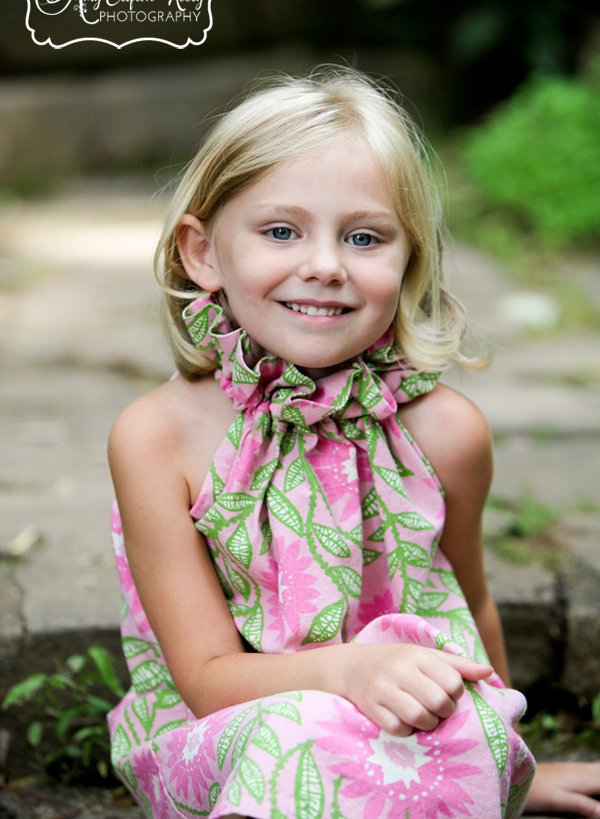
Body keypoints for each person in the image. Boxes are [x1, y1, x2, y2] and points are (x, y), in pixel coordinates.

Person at [107, 66, 600, 819]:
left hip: (407, 727)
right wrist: (348, 674)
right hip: (235, 733)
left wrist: (516, 764)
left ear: (409, 261)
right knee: (304, 731)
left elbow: (469, 600)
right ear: (203, 253)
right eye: (281, 230)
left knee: (456, 723)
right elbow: (206, 676)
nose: (326, 265)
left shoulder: (446, 434)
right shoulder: (158, 439)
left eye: (365, 237)